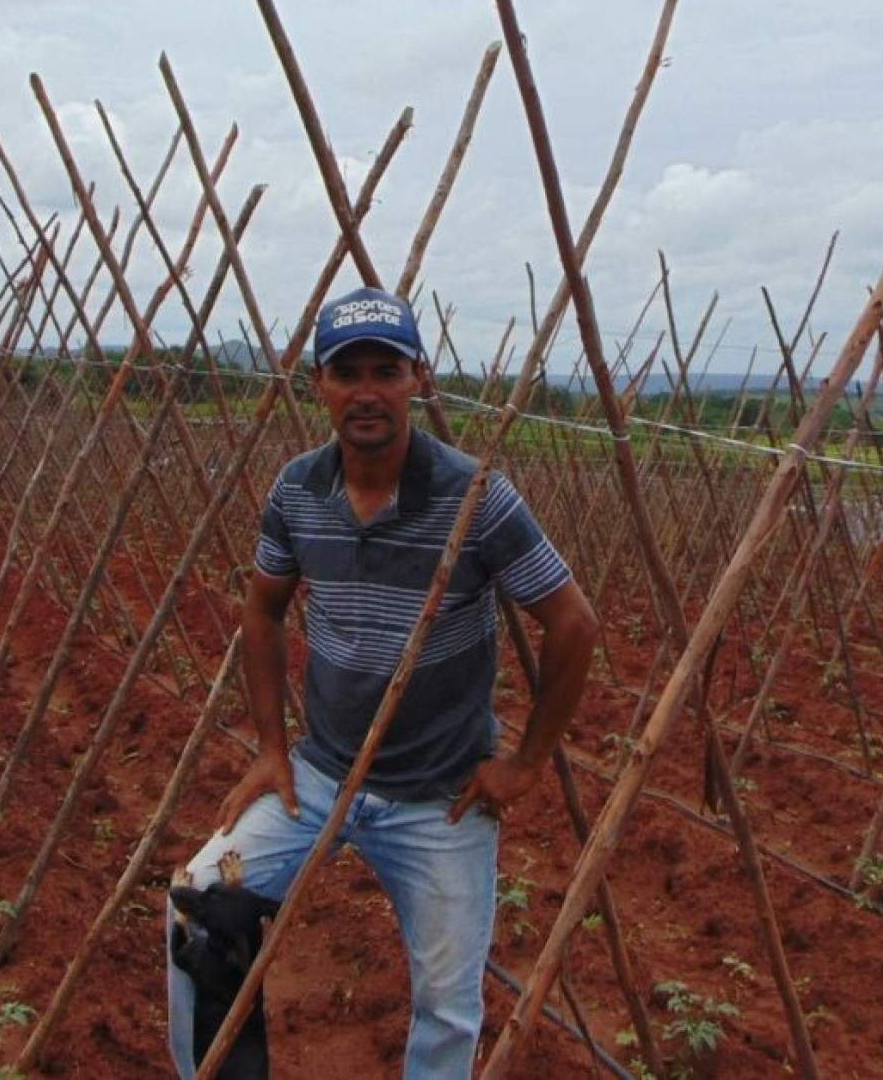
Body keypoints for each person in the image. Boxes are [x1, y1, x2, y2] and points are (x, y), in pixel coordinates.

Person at [167, 287, 600, 1078]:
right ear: (320, 386)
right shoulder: (298, 489)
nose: (366, 390)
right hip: (320, 777)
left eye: (385, 370)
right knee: (198, 896)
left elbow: (574, 623)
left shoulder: (477, 497)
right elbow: (260, 613)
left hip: (438, 798)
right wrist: (271, 750)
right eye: (347, 372)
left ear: (417, 381)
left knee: (447, 1003)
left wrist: (527, 762)